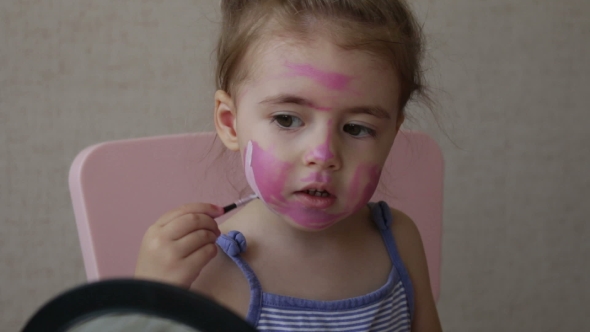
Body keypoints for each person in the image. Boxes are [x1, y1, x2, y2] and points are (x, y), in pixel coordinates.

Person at [135, 0, 442, 331]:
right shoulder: (209, 267)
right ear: (230, 123)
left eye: (356, 128)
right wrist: (149, 299)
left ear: (391, 136)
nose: (323, 155)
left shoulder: (398, 240)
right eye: (286, 119)